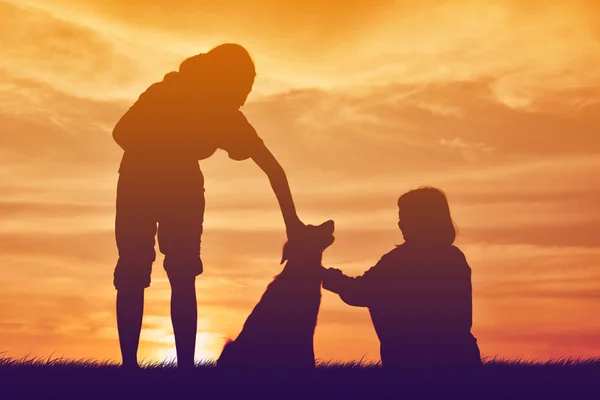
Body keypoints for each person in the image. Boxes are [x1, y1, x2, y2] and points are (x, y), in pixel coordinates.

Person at [112, 43, 304, 369]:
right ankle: (154, 368)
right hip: (155, 184)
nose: (245, 98)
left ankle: (148, 369)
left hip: (152, 183)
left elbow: (272, 168)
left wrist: (292, 223)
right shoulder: (199, 105)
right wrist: (171, 148)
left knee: (158, 273)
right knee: (149, 273)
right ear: (227, 81)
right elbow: (122, 133)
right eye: (244, 88)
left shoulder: (205, 107)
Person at [322, 187, 481, 369]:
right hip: (461, 360)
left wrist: (328, 277)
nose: (400, 224)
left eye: (405, 217)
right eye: (400, 217)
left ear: (424, 221)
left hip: (413, 364)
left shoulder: (401, 260)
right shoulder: (454, 257)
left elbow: (360, 292)